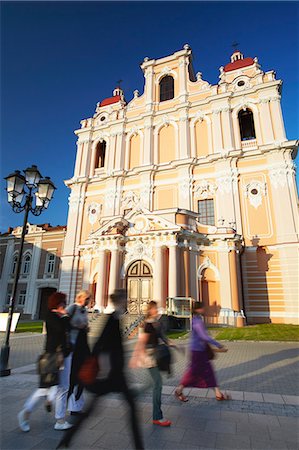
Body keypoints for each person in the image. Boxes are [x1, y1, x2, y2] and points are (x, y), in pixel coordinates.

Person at [57, 289, 144, 450]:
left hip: (115, 374)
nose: (127, 301)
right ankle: (67, 437)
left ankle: (67, 438)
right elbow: (100, 345)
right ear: (119, 301)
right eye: (125, 299)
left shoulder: (115, 318)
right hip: (111, 374)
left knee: (99, 409)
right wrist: (102, 369)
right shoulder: (112, 319)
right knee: (102, 410)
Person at [18, 292, 72, 432]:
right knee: (45, 389)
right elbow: (62, 328)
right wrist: (65, 316)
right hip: (53, 358)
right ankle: (26, 412)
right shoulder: (51, 316)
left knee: (61, 388)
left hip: (61, 357)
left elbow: (67, 330)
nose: (65, 305)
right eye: (63, 302)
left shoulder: (58, 317)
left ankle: (59, 420)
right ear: (58, 303)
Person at [174, 301, 229, 402]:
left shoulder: (197, 319)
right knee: (193, 372)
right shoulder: (197, 321)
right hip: (197, 352)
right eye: (202, 308)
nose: (204, 309)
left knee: (208, 372)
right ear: (198, 309)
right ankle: (179, 390)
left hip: (200, 350)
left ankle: (218, 394)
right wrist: (218, 344)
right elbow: (204, 336)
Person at [130, 301, 172, 427]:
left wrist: (174, 345)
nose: (158, 310)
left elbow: (162, 338)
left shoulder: (156, 323)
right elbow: (141, 342)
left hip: (156, 356)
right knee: (157, 384)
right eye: (155, 309)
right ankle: (157, 417)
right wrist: (135, 357)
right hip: (150, 357)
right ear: (150, 310)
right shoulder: (147, 324)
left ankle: (133, 395)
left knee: (151, 383)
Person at [55, 290, 91, 426]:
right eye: (87, 298)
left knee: (80, 377)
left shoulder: (84, 311)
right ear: (80, 298)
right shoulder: (72, 307)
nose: (88, 301)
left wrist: (86, 328)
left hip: (82, 345)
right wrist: (77, 326)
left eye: (89, 299)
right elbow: (64, 322)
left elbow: (84, 324)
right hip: (73, 346)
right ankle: (64, 409)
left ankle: (75, 407)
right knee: (73, 377)